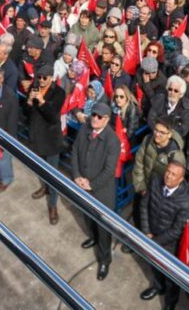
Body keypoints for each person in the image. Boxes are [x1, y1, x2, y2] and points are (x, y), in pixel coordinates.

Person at [73, 100, 120, 281]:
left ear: (107, 119)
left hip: (101, 192)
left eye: (99, 117)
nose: (95, 119)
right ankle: (92, 237)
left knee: (103, 228)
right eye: (93, 114)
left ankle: (104, 259)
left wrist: (91, 184)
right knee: (87, 215)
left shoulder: (112, 140)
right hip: (82, 185)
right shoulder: (85, 128)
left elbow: (109, 170)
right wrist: (77, 175)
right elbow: (76, 150)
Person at [139, 159, 189, 308]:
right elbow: (144, 205)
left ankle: (170, 303)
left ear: (181, 179)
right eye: (168, 172)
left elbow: (177, 231)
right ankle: (158, 286)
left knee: (172, 278)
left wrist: (154, 241)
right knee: (154, 264)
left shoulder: (186, 203)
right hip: (151, 234)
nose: (168, 176)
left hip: (170, 245)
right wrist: (146, 231)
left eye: (173, 174)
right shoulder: (156, 181)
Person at [25, 71, 65, 225]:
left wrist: (41, 101)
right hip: (36, 137)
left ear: (51, 78)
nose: (41, 80)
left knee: (52, 174)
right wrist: (29, 101)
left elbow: (53, 117)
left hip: (51, 140)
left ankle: (53, 205)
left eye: (44, 78)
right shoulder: (34, 88)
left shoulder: (59, 93)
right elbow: (27, 113)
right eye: (39, 77)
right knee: (40, 169)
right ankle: (45, 188)